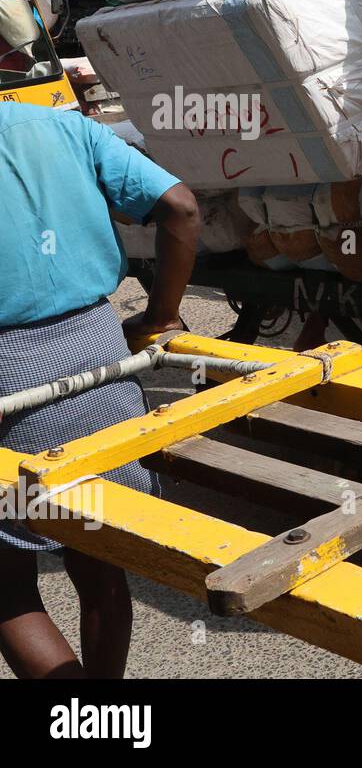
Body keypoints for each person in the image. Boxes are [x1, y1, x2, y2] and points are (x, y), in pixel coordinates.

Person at [0, 101, 198, 678]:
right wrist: (161, 315)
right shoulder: (61, 125)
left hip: (9, 378)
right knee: (98, 551)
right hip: (99, 355)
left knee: (7, 586)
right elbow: (182, 207)